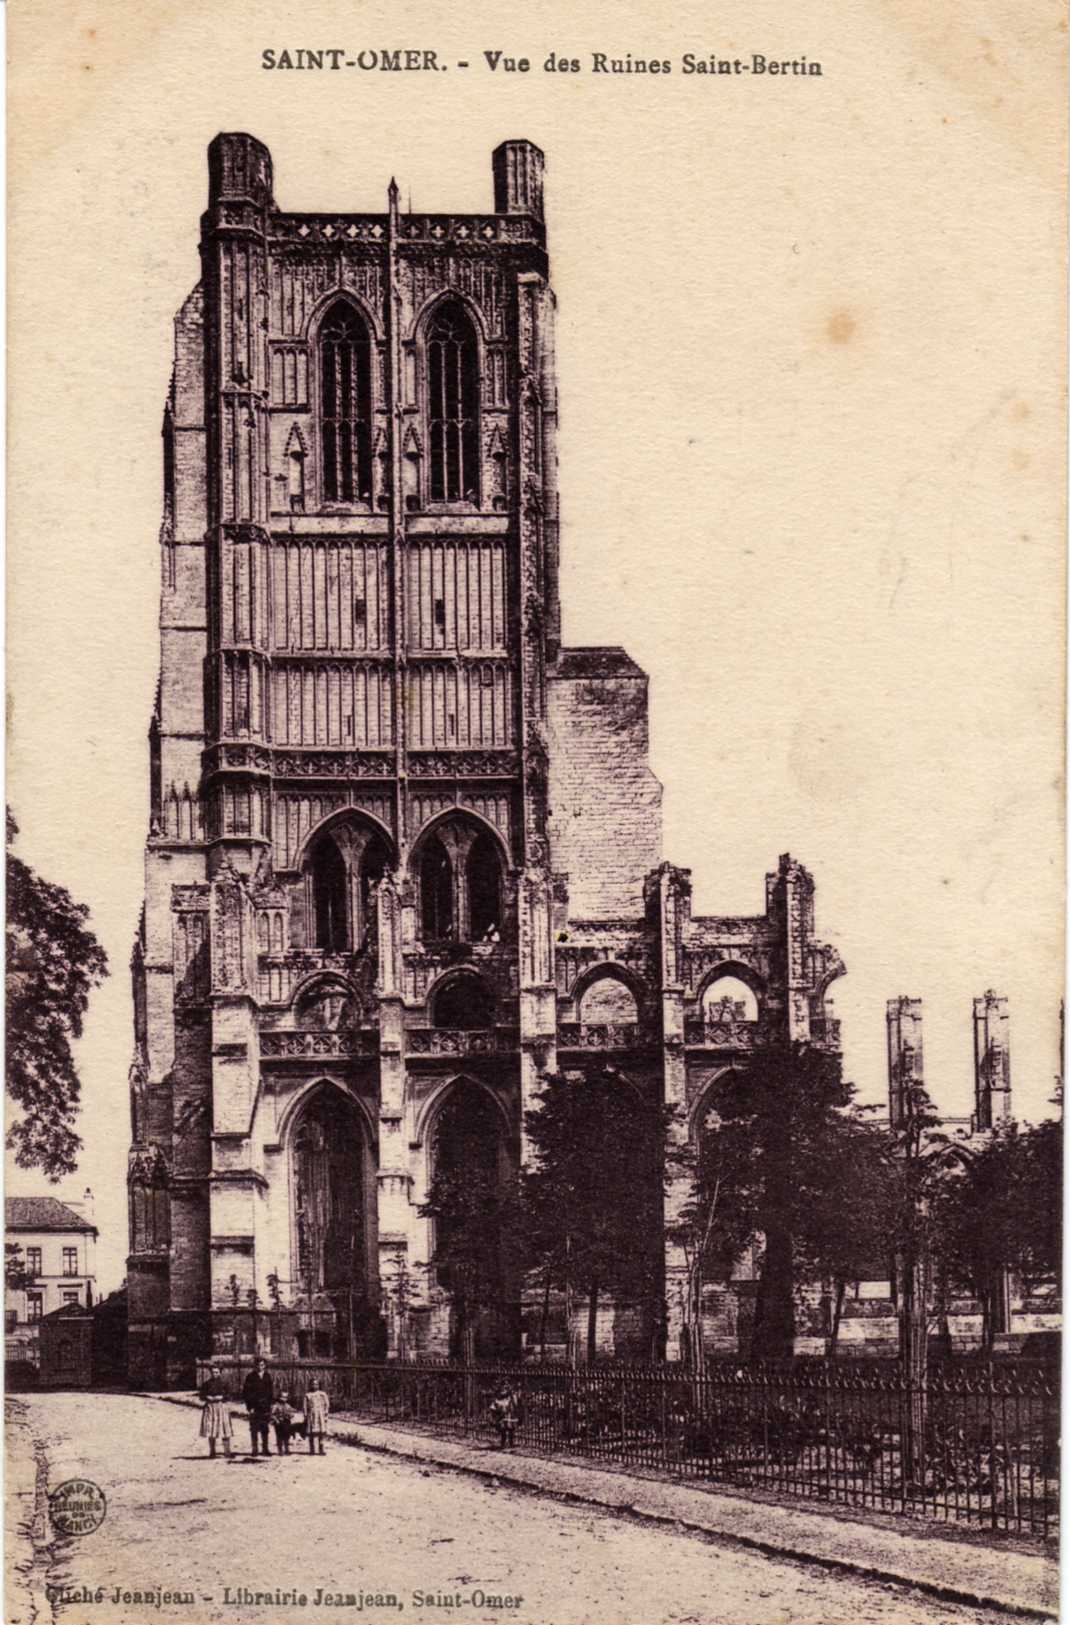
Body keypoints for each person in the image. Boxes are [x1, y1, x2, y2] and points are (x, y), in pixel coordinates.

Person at [198, 1365, 232, 1459]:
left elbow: (229, 1395)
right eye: (213, 1372)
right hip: (210, 1408)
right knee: (211, 1429)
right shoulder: (206, 1384)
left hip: (221, 1407)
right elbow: (201, 1396)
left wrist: (222, 1397)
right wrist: (207, 1397)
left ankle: (227, 1451)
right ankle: (212, 1451)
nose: (215, 1374)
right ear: (210, 1373)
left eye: (217, 1372)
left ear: (220, 1373)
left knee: (224, 1428)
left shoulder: (225, 1383)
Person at [242, 1358, 274, 1457]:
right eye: (258, 1365)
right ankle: (254, 1449)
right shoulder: (250, 1377)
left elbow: (270, 1392)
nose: (260, 1367)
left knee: (265, 1428)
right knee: (254, 1428)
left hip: (265, 1406)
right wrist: (250, 1407)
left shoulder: (267, 1376)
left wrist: (270, 1405)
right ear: (255, 1366)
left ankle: (265, 1449)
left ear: (264, 1366)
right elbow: (246, 1393)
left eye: (262, 1365)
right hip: (255, 1406)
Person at [304, 1377, 330, 1455]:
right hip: (311, 1415)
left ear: (319, 1385)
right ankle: (312, 1449)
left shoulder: (322, 1394)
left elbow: (327, 1404)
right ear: (310, 1385)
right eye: (313, 1384)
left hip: (320, 1415)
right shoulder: (308, 1395)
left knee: (321, 1432)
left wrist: (326, 1413)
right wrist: (305, 1414)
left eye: (316, 1384)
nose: (315, 1386)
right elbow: (305, 1406)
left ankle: (321, 1449)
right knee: (311, 1432)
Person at [489, 1383, 519, 1449]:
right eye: (503, 1388)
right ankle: (503, 1442)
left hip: (509, 1415)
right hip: (502, 1415)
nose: (504, 1390)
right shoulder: (498, 1397)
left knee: (510, 1429)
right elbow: (493, 1406)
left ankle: (511, 1443)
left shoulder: (511, 1397)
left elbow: (515, 1405)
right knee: (503, 1429)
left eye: (505, 1389)